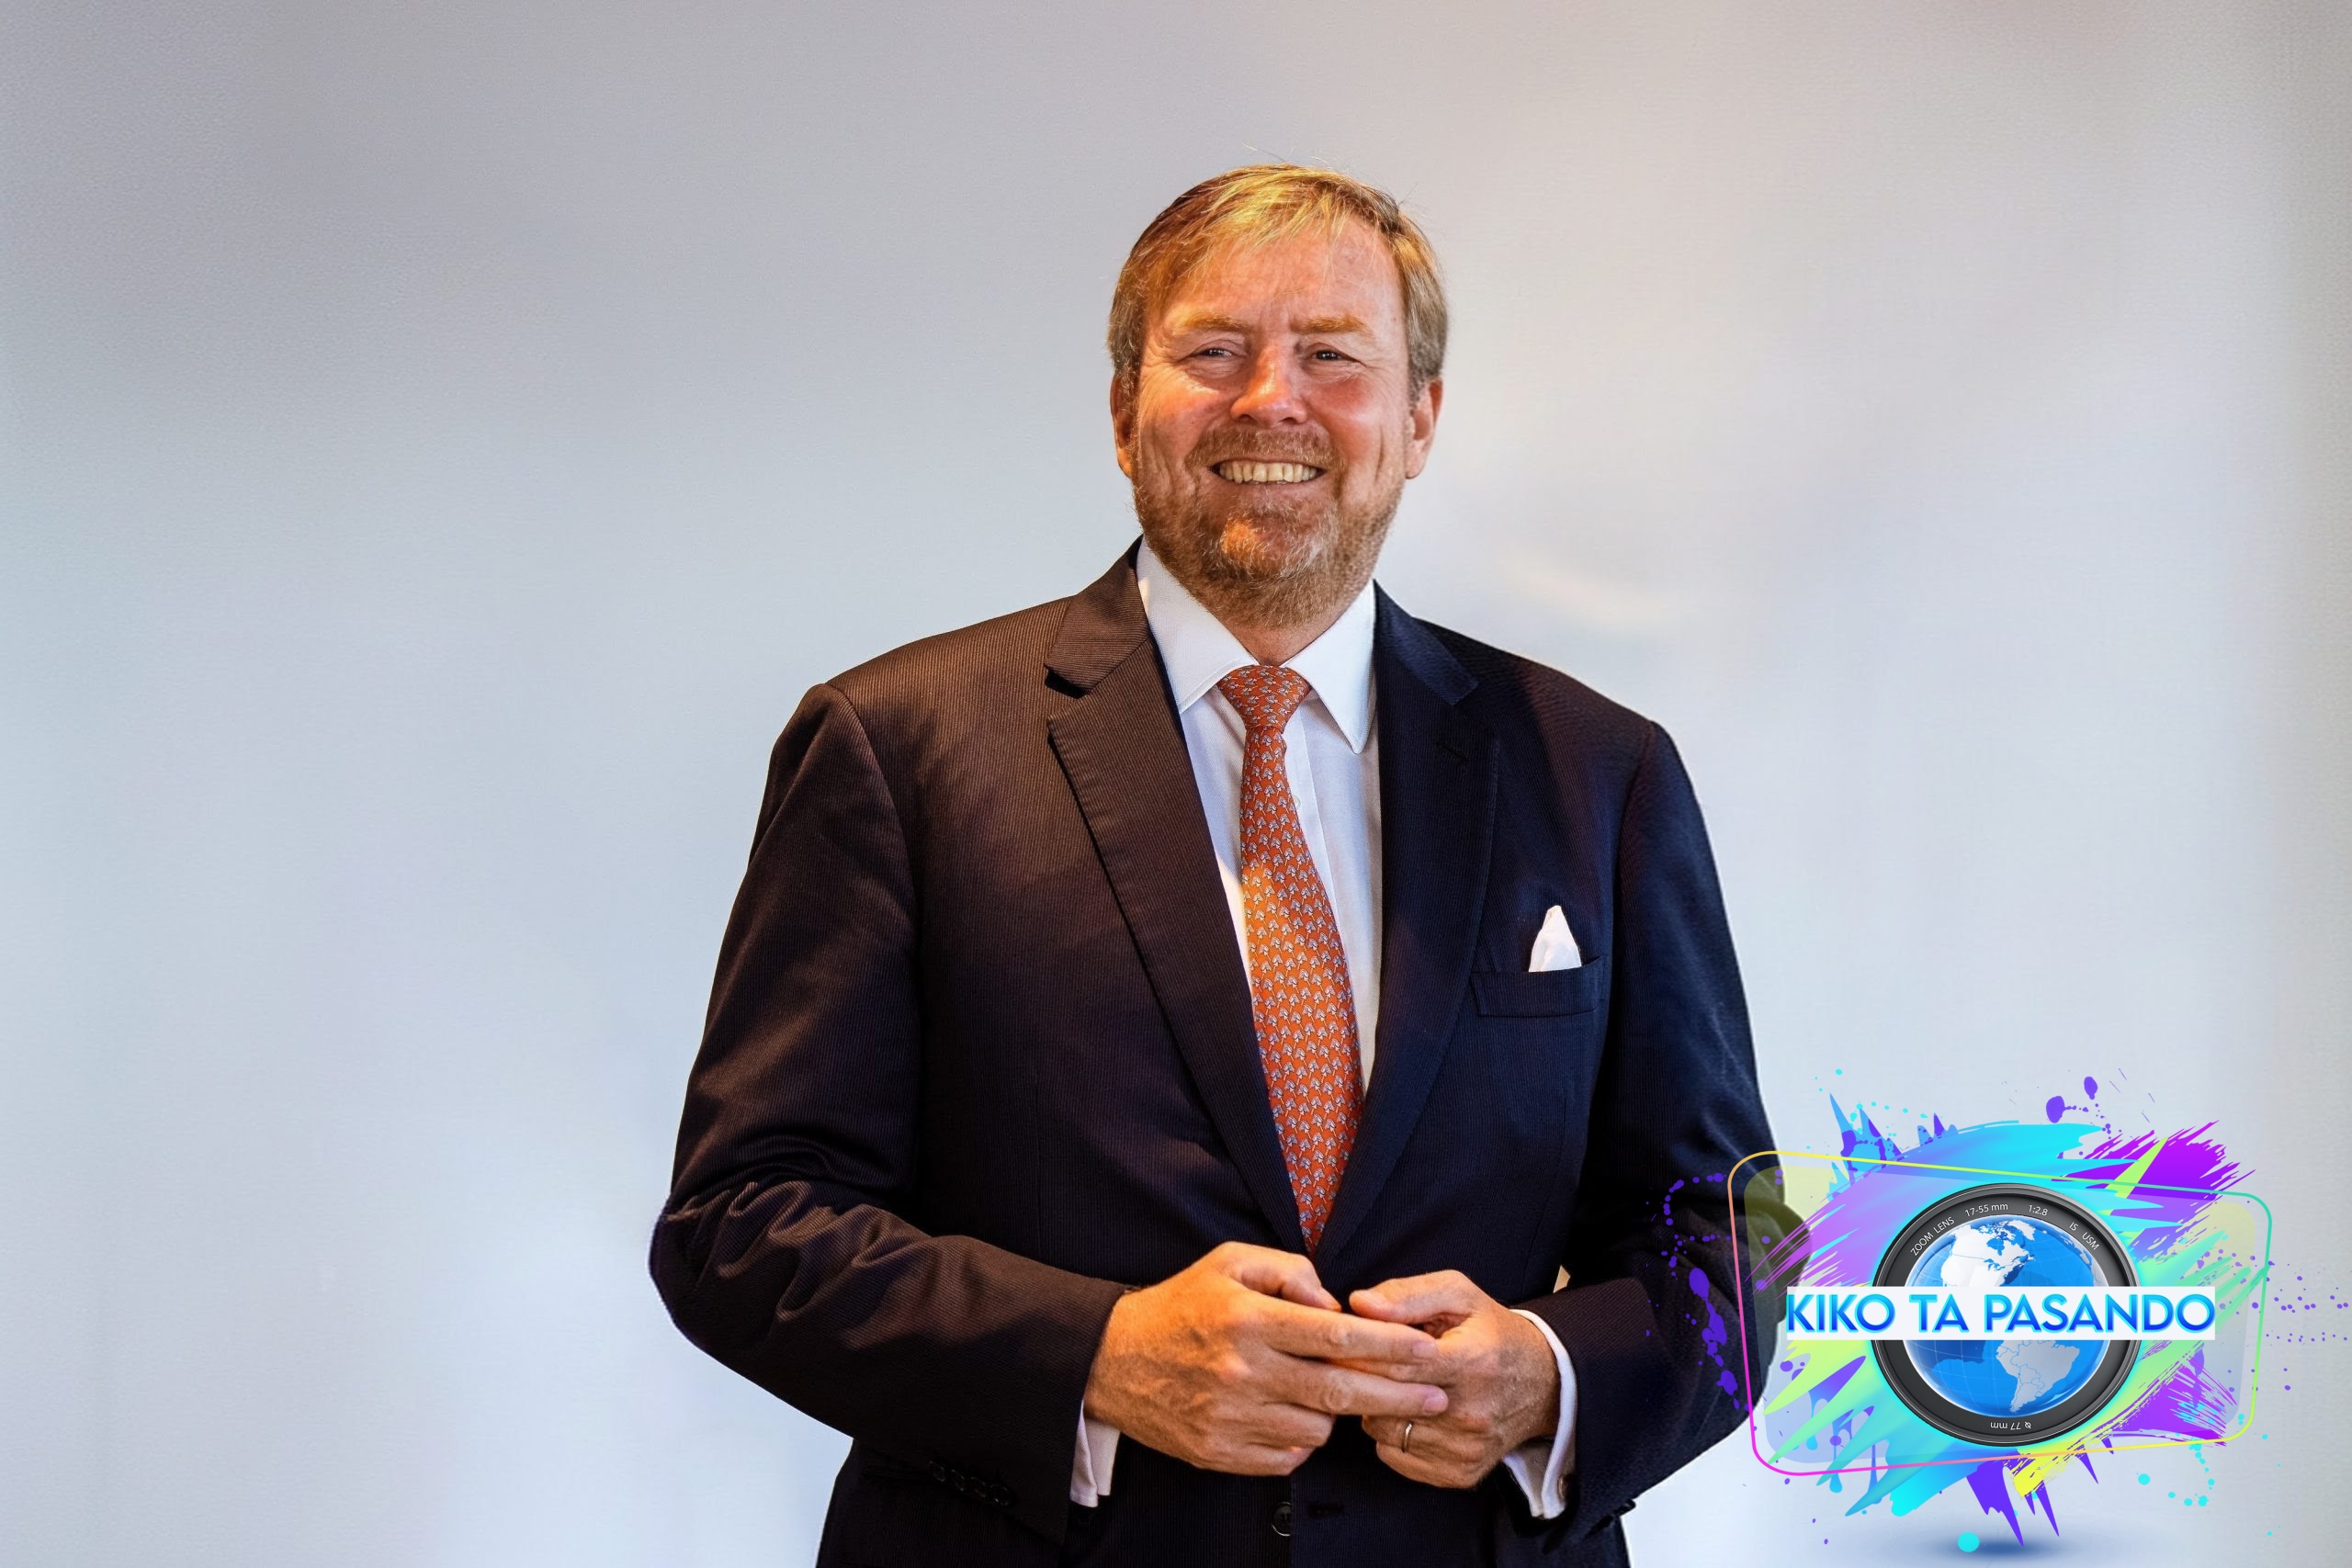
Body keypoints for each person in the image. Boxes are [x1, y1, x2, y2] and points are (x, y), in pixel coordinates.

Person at [651, 165, 1775, 1567]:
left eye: (1333, 355)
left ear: (1421, 418)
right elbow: (742, 1226)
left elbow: (1734, 1242)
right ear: (1125, 410)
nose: (1271, 401)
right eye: (1214, 352)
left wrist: (1555, 1378)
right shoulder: (896, 746)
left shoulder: (1599, 773)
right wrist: (1098, 1357)